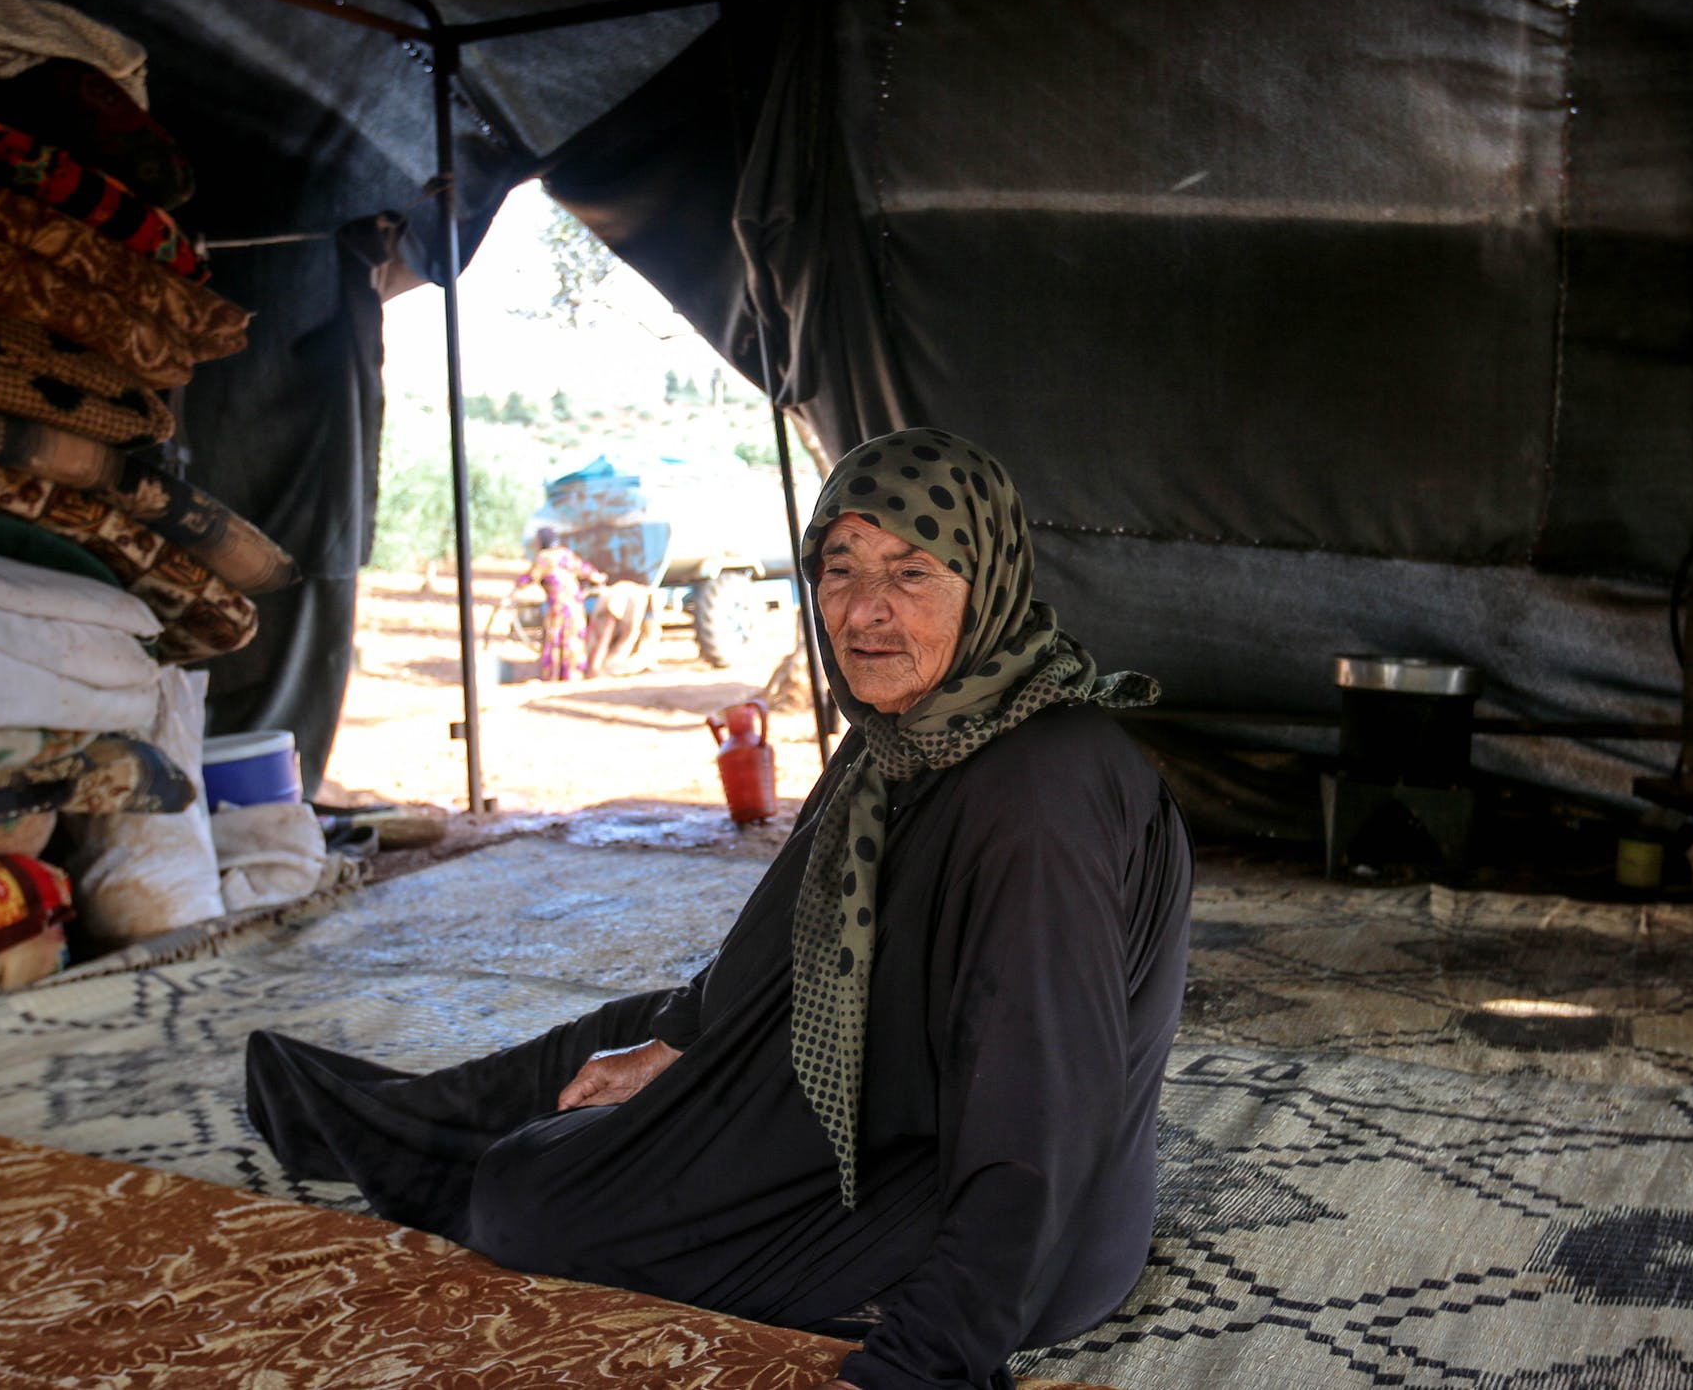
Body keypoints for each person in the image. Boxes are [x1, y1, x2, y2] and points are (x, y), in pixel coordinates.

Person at [244, 428, 1194, 1390]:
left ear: (984, 575)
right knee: (648, 1028)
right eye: (840, 566)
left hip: (1003, 1210)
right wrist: (688, 1042)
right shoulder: (915, 732)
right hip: (911, 1092)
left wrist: (934, 1353)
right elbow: (785, 937)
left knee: (533, 1197)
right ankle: (388, 1120)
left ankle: (439, 1152)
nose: (864, 611)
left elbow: (1038, 1108)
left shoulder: (1038, 794)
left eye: (912, 573)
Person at [508, 528, 608, 682]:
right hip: (575, 605)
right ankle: (573, 674)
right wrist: (599, 578)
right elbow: (585, 570)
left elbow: (529, 578)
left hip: (558, 607)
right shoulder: (565, 554)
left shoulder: (544, 558)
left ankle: (554, 675)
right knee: (574, 639)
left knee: (555, 638)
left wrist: (512, 593)